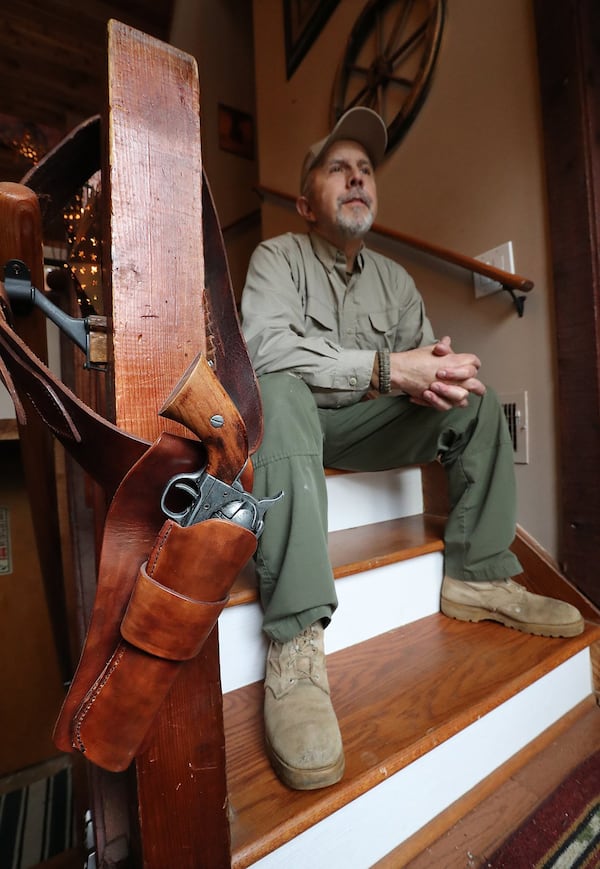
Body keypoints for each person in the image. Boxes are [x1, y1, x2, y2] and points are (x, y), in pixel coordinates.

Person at [240, 106, 583, 792]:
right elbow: (263, 350)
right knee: (275, 391)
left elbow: (419, 362)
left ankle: (477, 575)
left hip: (367, 427)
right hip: (296, 427)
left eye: (365, 170)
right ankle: (297, 640)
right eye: (339, 168)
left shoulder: (394, 280)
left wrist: (439, 373)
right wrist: (388, 369)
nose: (357, 177)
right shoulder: (276, 258)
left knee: (477, 396)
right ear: (306, 202)